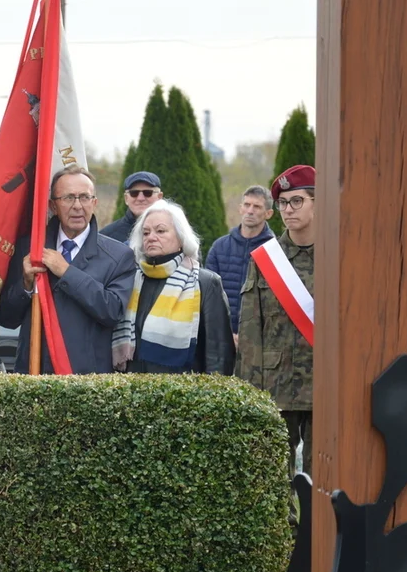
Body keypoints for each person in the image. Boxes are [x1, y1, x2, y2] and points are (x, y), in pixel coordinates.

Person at [235, 165, 316, 528]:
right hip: (275, 386)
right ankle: (285, 552)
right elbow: (250, 329)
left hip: (325, 387)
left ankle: (323, 547)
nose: (288, 210)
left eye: (297, 201)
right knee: (273, 482)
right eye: (283, 203)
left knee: (324, 481)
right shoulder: (266, 260)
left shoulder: (341, 254)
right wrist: (250, 394)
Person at [0, 166, 137, 374]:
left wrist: (67, 272)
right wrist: (25, 285)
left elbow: (111, 311)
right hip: (34, 375)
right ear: (53, 205)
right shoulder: (30, 249)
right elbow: (7, 319)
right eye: (68, 198)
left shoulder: (119, 256)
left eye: (84, 197)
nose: (78, 206)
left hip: (87, 380)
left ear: (95, 203)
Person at [112, 200, 234, 375]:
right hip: (132, 392)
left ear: (180, 238)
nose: (151, 237)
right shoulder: (131, 279)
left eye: (160, 231)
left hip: (183, 394)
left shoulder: (205, 282)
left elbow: (218, 354)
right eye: (146, 233)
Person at [205, 185, 276, 345]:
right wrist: (226, 333)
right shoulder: (219, 247)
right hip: (221, 338)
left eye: (257, 206)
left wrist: (248, 336)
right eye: (247, 205)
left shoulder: (276, 251)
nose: (250, 211)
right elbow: (209, 297)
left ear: (268, 214)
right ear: (240, 208)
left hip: (261, 341)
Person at [101, 171, 164, 244]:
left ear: (159, 197)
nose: (140, 198)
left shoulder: (175, 232)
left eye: (147, 193)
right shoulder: (106, 237)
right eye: (134, 193)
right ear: (126, 198)